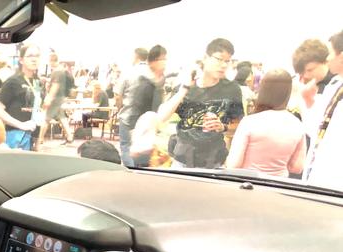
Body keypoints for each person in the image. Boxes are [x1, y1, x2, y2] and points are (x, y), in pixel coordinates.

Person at [157, 38, 244, 168]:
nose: (224, 65)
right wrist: (184, 89)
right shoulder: (187, 86)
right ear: (205, 58)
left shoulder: (232, 89)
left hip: (214, 161)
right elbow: (161, 117)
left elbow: (238, 124)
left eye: (227, 61)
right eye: (219, 59)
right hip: (183, 160)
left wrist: (222, 127)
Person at [226, 70, 306, 177]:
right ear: (288, 92)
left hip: (248, 184)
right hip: (279, 186)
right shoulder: (298, 125)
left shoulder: (250, 122)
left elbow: (233, 164)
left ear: (262, 90)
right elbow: (297, 167)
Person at [304, 30, 343, 188]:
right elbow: (317, 129)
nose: (327, 59)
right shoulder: (334, 85)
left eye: (330, 53)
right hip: (319, 172)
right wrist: (307, 100)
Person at [117, 45, 167, 166]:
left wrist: (120, 109)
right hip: (148, 120)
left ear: (137, 57)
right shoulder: (158, 77)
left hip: (129, 117)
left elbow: (118, 95)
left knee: (126, 148)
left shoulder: (130, 71)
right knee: (145, 151)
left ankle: (131, 172)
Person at [0, 43, 44, 151]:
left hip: (32, 137)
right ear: (21, 60)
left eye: (37, 56)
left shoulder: (38, 82)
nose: (34, 59)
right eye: (30, 56)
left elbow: (38, 112)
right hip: (15, 137)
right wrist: (21, 125)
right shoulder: (13, 81)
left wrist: (37, 141)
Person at [39, 57, 74, 146]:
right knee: (61, 117)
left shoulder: (57, 71)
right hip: (59, 97)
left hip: (54, 98)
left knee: (46, 118)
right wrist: (47, 80)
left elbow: (55, 85)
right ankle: (70, 136)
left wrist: (48, 98)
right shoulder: (61, 71)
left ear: (52, 61)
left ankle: (40, 139)